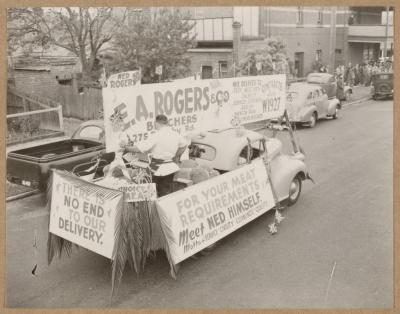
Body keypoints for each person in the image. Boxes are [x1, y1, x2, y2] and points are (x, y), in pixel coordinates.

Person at [120, 114, 188, 197]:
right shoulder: (175, 134)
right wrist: (176, 156)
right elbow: (184, 145)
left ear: (156, 123)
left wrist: (125, 146)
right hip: (170, 166)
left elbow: (138, 149)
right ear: (166, 123)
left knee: (149, 192)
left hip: (157, 166)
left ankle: (152, 207)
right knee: (166, 193)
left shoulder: (156, 135)